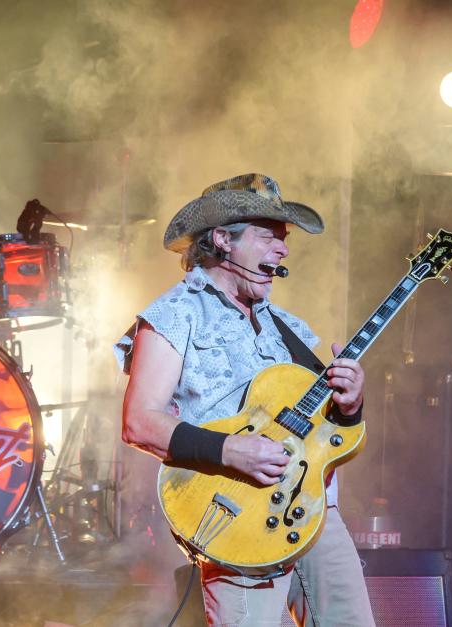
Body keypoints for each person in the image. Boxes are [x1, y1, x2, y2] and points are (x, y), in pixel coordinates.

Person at [116, 173, 374, 626]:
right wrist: (231, 450)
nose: (283, 249)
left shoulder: (287, 327)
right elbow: (139, 422)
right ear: (222, 240)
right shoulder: (172, 315)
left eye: (284, 238)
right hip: (237, 516)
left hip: (312, 512)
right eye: (268, 235)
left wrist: (350, 407)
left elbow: (329, 435)